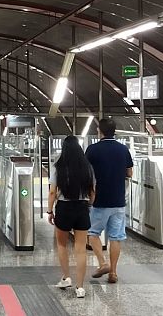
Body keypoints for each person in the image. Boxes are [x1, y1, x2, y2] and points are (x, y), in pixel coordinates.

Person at [86, 118, 133, 284]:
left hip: (99, 200)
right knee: (116, 237)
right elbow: (130, 173)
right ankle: (113, 272)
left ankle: (103, 263)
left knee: (92, 233)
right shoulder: (123, 149)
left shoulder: (92, 150)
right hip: (118, 200)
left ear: (100, 131)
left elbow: (86, 173)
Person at [48, 136, 95, 299]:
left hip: (64, 207)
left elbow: (53, 192)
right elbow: (92, 191)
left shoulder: (58, 167)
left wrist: (49, 211)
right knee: (81, 249)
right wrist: (89, 204)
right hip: (82, 207)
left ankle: (66, 277)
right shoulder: (87, 167)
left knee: (61, 244)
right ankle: (80, 287)